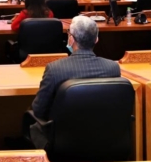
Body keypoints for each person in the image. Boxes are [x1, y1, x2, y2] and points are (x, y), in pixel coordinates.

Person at [26, 16, 120, 149]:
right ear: (96, 39)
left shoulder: (55, 69)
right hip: (103, 140)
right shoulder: (113, 68)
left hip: (63, 143)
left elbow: (38, 110)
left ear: (71, 39)